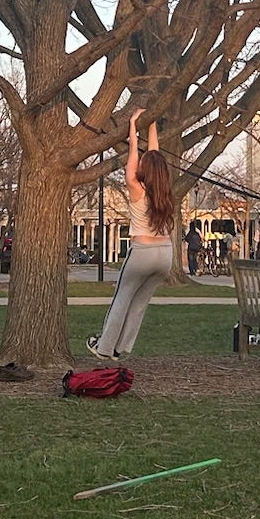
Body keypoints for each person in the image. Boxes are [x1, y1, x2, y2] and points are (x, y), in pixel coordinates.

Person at [88, 110, 176, 361]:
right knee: (140, 303)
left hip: (142, 252)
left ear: (145, 169)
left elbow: (134, 157)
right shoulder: (164, 192)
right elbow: (154, 154)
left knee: (122, 297)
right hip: (165, 255)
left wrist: (133, 128)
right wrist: (151, 124)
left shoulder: (136, 188)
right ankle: (121, 348)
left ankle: (104, 348)